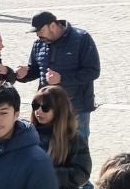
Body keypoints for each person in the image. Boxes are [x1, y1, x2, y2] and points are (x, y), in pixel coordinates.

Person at [19, 11, 101, 141]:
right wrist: (23, 75)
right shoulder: (39, 44)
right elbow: (36, 70)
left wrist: (62, 78)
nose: (38, 34)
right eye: (36, 32)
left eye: (40, 30)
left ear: (52, 25)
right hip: (47, 108)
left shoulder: (81, 39)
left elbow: (93, 71)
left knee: (77, 148)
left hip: (76, 108)